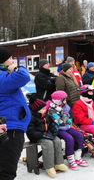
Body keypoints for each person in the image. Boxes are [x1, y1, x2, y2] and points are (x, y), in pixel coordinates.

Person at [0, 47, 32, 180]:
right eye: (10, 58)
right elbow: (24, 76)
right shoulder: (2, 75)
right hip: (9, 129)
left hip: (10, 126)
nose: (12, 61)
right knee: (6, 172)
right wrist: (14, 67)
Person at [26, 97, 68, 178]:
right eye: (43, 109)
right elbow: (31, 132)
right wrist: (42, 135)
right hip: (37, 136)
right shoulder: (32, 118)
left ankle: (59, 163)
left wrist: (53, 132)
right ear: (37, 110)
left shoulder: (46, 115)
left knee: (57, 141)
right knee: (48, 144)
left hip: (47, 134)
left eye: (45, 108)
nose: (45, 110)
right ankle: (49, 166)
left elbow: (51, 125)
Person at [46, 91, 88, 170]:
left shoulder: (65, 107)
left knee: (79, 135)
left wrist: (67, 120)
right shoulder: (51, 110)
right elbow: (59, 122)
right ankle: (70, 159)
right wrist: (65, 115)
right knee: (69, 138)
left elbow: (70, 119)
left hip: (67, 127)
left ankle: (77, 157)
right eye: (64, 100)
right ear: (58, 101)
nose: (66, 101)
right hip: (57, 129)